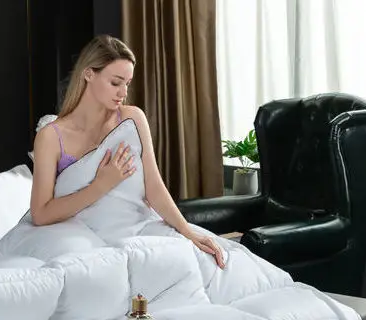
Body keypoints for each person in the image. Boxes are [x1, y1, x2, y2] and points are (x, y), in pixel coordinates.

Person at [30, 35, 225, 269]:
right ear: (89, 74)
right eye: (115, 83)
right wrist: (100, 186)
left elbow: (153, 186)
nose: (123, 92)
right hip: (80, 238)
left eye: (127, 84)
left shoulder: (132, 119)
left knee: (203, 262)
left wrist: (188, 232)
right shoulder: (51, 137)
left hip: (136, 228)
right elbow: (40, 214)